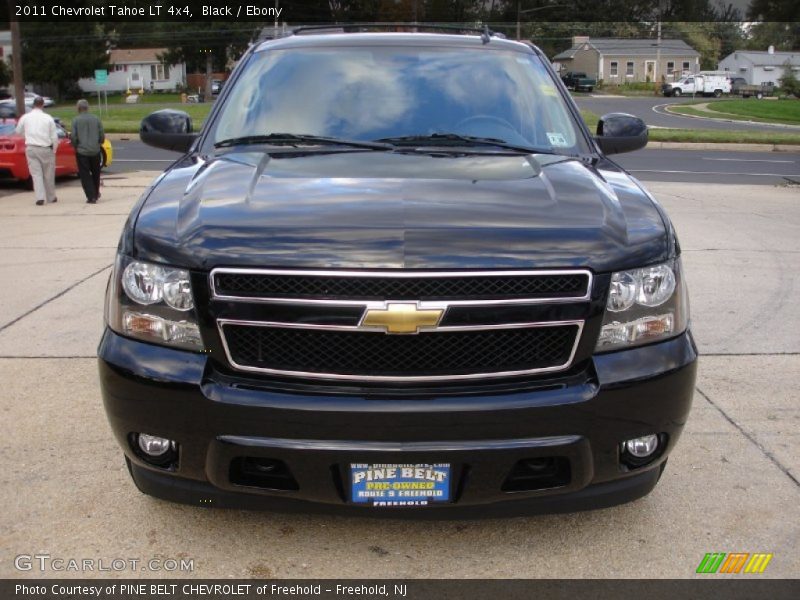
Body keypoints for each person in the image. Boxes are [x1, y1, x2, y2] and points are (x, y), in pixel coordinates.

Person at [14, 96, 58, 206]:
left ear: (33, 104)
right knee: (48, 174)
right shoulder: (48, 118)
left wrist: (27, 135)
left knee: (36, 174)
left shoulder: (25, 117)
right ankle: (51, 197)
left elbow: (18, 131)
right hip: (45, 147)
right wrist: (54, 149)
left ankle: (40, 197)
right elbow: (54, 136)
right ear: (43, 105)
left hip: (31, 148)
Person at [71, 99, 105, 204]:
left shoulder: (76, 120)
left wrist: (76, 146)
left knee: (85, 175)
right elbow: (101, 135)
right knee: (96, 173)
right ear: (87, 107)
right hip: (95, 150)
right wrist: (99, 143)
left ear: (78, 108)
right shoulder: (96, 119)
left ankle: (91, 196)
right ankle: (96, 192)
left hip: (82, 151)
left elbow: (74, 137)